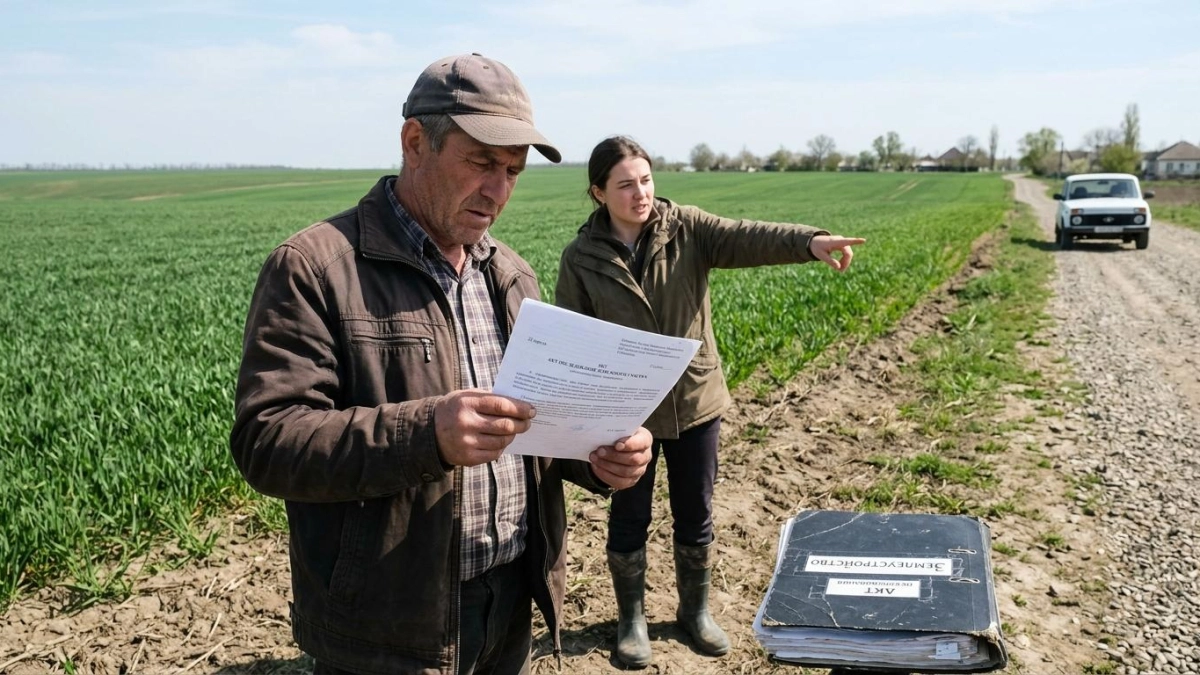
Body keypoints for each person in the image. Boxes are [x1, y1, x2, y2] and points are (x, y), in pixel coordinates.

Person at [230, 55, 654, 675]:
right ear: (414, 142)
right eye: (481, 161)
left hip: (509, 603)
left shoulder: (510, 275)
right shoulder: (316, 267)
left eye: (512, 171)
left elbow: (531, 425)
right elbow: (268, 440)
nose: (498, 189)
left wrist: (599, 455)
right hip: (387, 623)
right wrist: (427, 433)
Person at [554, 136, 866, 668]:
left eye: (646, 180)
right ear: (599, 193)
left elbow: (747, 237)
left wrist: (810, 242)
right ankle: (631, 620)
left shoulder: (688, 229)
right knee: (629, 515)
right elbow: (575, 340)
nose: (640, 193)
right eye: (625, 185)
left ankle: (693, 613)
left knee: (695, 514)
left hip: (696, 399)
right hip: (630, 415)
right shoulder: (581, 258)